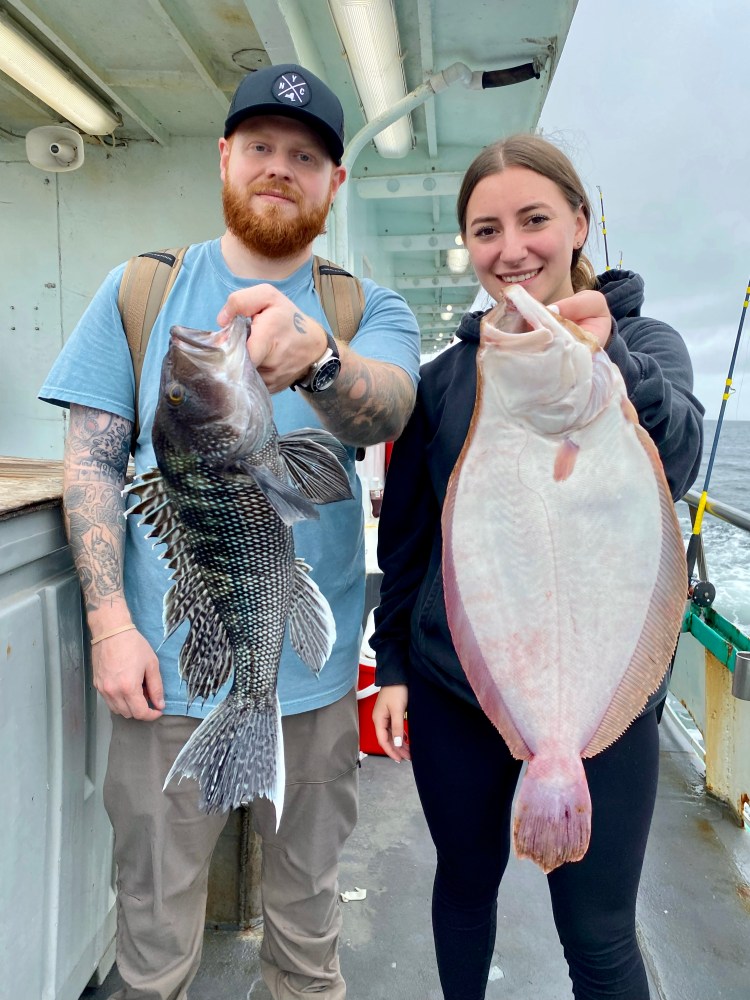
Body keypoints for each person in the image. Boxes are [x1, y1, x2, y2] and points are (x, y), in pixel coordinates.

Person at [39, 63, 420, 1000]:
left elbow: (391, 408)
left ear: (334, 182)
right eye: (260, 147)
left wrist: (322, 365)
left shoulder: (366, 311)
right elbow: (90, 460)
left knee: (309, 923)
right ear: (223, 158)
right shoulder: (137, 292)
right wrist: (110, 625)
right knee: (154, 929)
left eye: (305, 155)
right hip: (167, 678)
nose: (279, 167)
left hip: (316, 682)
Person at [370, 133, 704, 1000]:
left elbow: (680, 451)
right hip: (458, 689)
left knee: (598, 933)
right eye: (486, 230)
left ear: (579, 224)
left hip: (603, 696)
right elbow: (405, 540)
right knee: (463, 887)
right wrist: (397, 667)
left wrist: (611, 359)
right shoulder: (444, 381)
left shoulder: (644, 344)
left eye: (534, 220)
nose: (511, 249)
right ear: (467, 247)